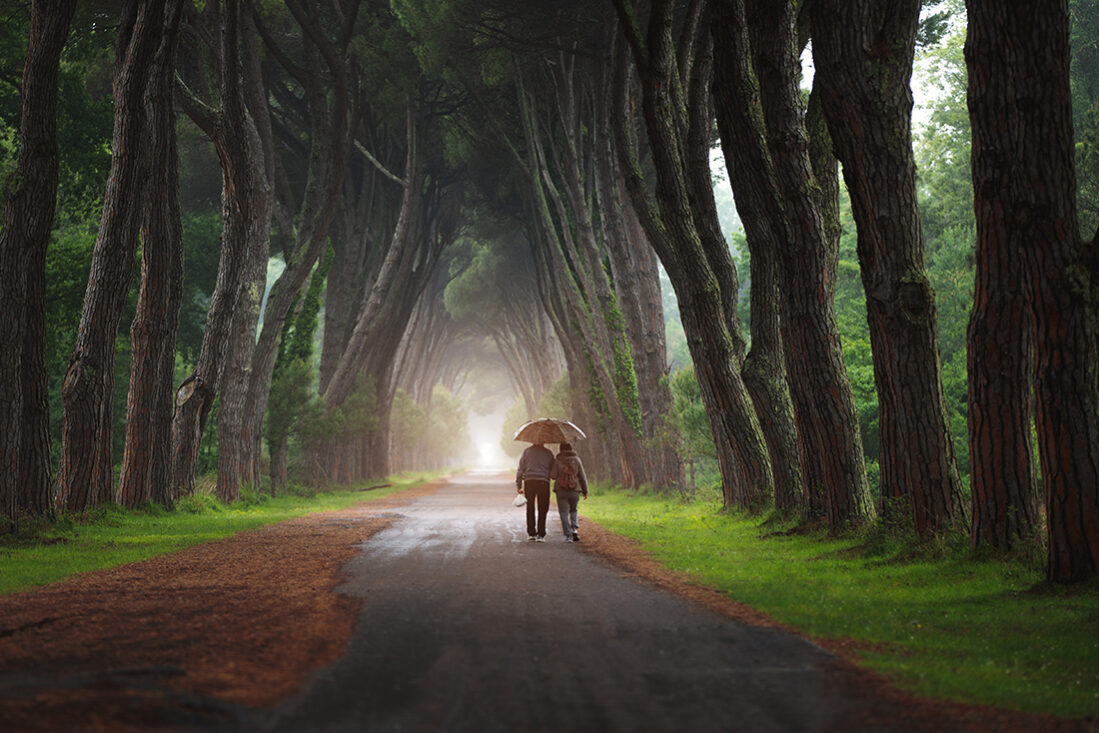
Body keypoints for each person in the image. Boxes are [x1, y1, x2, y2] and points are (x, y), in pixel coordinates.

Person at [550, 442, 588, 542]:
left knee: (563, 513)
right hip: (575, 489)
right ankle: (574, 529)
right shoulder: (577, 459)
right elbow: (582, 476)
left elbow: (553, 475)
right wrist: (585, 490)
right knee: (573, 510)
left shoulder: (557, 460)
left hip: (561, 490)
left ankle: (568, 535)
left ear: (560, 449)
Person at [516, 441, 554, 541]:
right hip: (543, 482)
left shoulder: (526, 452)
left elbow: (520, 469)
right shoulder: (548, 453)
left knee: (530, 507)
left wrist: (519, 484)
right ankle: (541, 534)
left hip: (529, 481)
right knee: (543, 507)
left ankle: (531, 533)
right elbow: (553, 470)